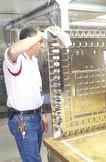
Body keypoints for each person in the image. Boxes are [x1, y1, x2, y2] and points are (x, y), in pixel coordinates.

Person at [3, 27, 48, 162]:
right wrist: (41, 34)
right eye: (40, 42)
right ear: (30, 42)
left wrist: (43, 113)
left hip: (36, 116)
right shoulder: (15, 61)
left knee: (32, 157)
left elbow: (38, 89)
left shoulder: (33, 61)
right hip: (23, 120)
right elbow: (12, 50)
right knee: (33, 160)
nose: (42, 45)